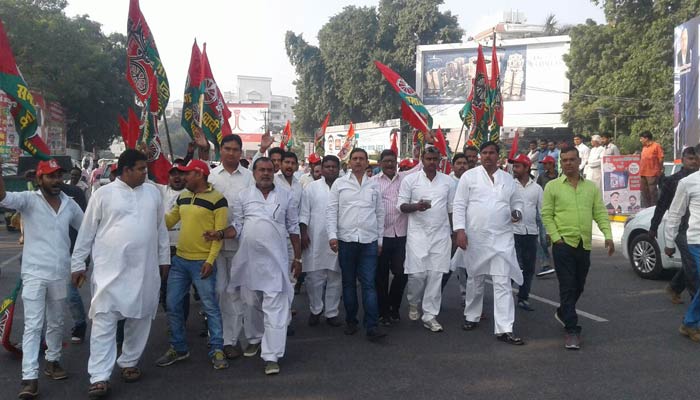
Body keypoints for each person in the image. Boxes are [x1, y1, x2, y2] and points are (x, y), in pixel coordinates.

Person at [71, 149, 170, 397]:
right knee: (104, 319)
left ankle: (129, 362)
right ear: (126, 170)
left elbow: (161, 229)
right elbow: (86, 232)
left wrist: (164, 259)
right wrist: (77, 264)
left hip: (145, 269)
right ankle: (99, 376)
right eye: (141, 169)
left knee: (141, 317)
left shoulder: (153, 193)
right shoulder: (103, 195)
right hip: (109, 271)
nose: (145, 173)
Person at [1, 159, 84, 400]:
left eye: (59, 175)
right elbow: (3, 197)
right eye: (51, 176)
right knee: (34, 325)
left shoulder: (70, 204)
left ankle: (53, 361)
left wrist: (82, 262)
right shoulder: (29, 201)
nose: (57, 180)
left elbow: (88, 230)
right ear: (40, 179)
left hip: (60, 273)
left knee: (57, 322)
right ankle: (29, 378)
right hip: (35, 274)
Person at [218, 157, 302, 375]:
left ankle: (271, 356)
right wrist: (220, 234)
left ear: (274, 172)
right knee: (251, 302)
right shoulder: (243, 196)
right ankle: (254, 338)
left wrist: (298, 258)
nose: (265, 173)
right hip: (248, 261)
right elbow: (236, 225)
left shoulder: (286, 196)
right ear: (253, 173)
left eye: (269, 170)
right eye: (261, 170)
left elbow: (293, 228)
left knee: (275, 308)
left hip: (276, 262)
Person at [156, 159, 229, 370]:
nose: (183, 177)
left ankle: (217, 348)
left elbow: (218, 234)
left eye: (187, 173)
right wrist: (150, 217)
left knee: (210, 307)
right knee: (172, 304)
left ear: (199, 174)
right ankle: (178, 348)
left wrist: (210, 260)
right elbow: (169, 221)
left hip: (202, 262)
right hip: (179, 260)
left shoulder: (218, 200)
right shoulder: (183, 196)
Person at [541, 146, 614, 350]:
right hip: (563, 244)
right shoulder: (552, 187)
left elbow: (599, 212)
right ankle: (572, 330)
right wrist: (556, 238)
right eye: (564, 160)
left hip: (584, 244)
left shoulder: (590, 187)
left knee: (579, 285)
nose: (568, 163)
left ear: (579, 160)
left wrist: (607, 235)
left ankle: (564, 311)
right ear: (560, 163)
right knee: (567, 285)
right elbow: (546, 214)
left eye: (572, 159)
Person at [453, 141, 525, 345]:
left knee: (503, 281)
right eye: (483, 153)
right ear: (479, 156)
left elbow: (517, 201)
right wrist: (460, 231)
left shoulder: (507, 179)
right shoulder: (469, 176)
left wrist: (517, 212)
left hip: (502, 238)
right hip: (476, 237)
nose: (487, 156)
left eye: (491, 153)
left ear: (497, 155)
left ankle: (505, 328)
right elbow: (459, 205)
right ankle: (471, 316)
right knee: (475, 278)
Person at [207, 134, 260, 360]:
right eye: (227, 149)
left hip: (243, 244)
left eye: (235, 149)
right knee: (221, 291)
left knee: (243, 292)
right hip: (215, 245)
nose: (231, 153)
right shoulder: (210, 177)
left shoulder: (250, 178)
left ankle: (246, 338)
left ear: (241, 152)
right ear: (220, 150)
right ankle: (223, 339)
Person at [326, 148, 386, 341]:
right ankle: (351, 320)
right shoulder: (340, 184)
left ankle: (372, 326)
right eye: (355, 159)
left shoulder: (374, 186)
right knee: (348, 283)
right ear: (349, 162)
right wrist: (332, 236)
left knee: (369, 284)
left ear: (367, 162)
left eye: (362, 159)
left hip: (369, 241)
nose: (358, 162)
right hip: (346, 240)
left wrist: (380, 240)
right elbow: (331, 211)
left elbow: (379, 214)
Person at [398, 146, 456, 332]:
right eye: (428, 159)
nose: (432, 162)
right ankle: (414, 302)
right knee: (417, 275)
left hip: (441, 235)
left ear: (439, 160)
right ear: (422, 159)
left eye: (435, 159)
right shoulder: (410, 180)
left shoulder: (448, 182)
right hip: (418, 234)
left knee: (436, 275)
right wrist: (416, 206)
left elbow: (452, 209)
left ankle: (430, 315)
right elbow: (401, 206)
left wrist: (455, 232)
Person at [371, 148, 421, 325]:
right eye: (386, 161)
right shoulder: (372, 182)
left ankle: (394, 306)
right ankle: (383, 311)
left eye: (393, 161)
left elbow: (421, 165)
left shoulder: (405, 178)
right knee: (381, 276)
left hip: (401, 234)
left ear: (396, 162)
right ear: (380, 164)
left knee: (401, 273)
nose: (390, 164)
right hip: (381, 235)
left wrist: (425, 143)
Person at [650, 146, 698, 305]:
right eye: (690, 158)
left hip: (696, 229)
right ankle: (694, 301)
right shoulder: (674, 181)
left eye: (695, 158)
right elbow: (661, 206)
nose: (693, 161)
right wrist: (653, 228)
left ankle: (675, 287)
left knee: (692, 264)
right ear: (683, 160)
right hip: (681, 230)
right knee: (692, 266)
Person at [300, 155, 343, 327]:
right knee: (314, 278)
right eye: (328, 166)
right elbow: (304, 212)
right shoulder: (311, 188)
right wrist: (303, 232)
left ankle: (331, 312)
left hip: (338, 237)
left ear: (339, 168)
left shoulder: (344, 186)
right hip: (315, 238)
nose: (331, 169)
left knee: (335, 277)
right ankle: (316, 309)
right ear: (322, 168)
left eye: (334, 166)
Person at [665, 163, 700, 343]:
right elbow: (675, 213)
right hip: (696, 241)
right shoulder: (688, 182)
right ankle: (690, 323)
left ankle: (690, 322)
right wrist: (669, 241)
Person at [445, 148, 479, 304]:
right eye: (458, 163)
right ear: (453, 166)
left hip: (472, 230)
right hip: (451, 232)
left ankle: (469, 300)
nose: (462, 166)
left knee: (470, 268)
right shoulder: (447, 182)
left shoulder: (475, 180)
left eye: (465, 163)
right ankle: (433, 298)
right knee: (447, 267)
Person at [510, 154, 543, 312]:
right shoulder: (509, 185)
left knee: (529, 268)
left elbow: (543, 211)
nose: (514, 169)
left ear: (527, 168)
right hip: (512, 232)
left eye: (517, 166)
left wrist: (547, 232)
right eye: (513, 166)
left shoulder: (537, 188)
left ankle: (523, 297)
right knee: (512, 265)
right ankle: (505, 296)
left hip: (530, 232)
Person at [639, 131, 664, 208]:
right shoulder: (644, 148)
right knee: (644, 192)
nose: (640, 140)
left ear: (646, 138)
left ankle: (654, 209)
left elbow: (661, 158)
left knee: (652, 192)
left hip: (652, 173)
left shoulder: (656, 146)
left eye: (641, 138)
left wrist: (660, 169)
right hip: (642, 173)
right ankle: (647, 208)